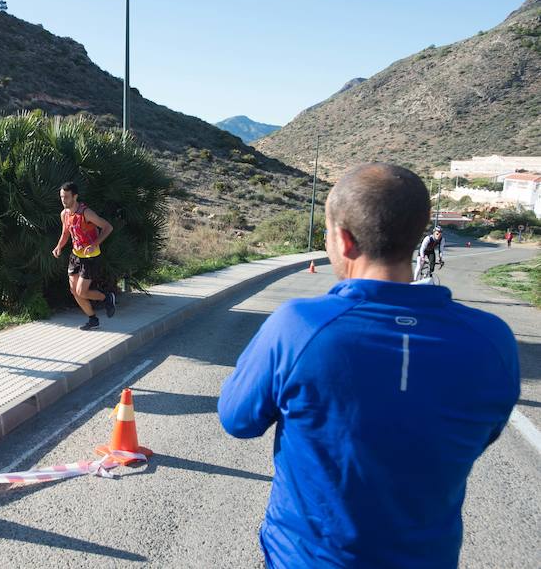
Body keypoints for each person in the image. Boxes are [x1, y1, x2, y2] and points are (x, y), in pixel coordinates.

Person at [218, 163, 519, 569]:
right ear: (418, 234)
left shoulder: (298, 326)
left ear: (344, 240)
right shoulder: (492, 339)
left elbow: (237, 420)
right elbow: (482, 433)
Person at [52, 181, 116, 330]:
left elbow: (107, 227)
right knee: (74, 291)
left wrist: (94, 244)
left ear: (75, 196)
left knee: (82, 291)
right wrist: (59, 247)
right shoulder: (64, 214)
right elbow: (65, 233)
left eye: (66, 197)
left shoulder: (86, 213)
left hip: (91, 257)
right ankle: (93, 319)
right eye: (61, 197)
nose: (63, 200)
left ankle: (107, 297)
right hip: (75, 256)